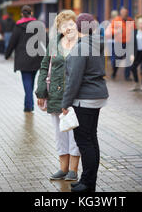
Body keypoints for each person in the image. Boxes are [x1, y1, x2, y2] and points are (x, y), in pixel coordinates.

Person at [61, 13, 109, 192]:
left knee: (84, 141)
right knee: (91, 139)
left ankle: (88, 183)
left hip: (85, 99)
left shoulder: (81, 48)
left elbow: (74, 79)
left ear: (79, 28)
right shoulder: (96, 44)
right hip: (96, 97)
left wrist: (65, 103)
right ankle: (88, 180)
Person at [35, 10, 81, 182]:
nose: (68, 27)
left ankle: (73, 170)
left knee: (74, 133)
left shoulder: (81, 44)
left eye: (71, 23)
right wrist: (41, 91)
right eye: (64, 25)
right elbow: (44, 66)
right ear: (60, 29)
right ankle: (62, 168)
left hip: (75, 95)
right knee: (59, 132)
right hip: (55, 94)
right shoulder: (54, 43)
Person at [5, 5, 45, 113]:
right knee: (31, 82)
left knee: (27, 82)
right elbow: (45, 40)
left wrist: (7, 54)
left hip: (23, 59)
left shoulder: (18, 26)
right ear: (31, 13)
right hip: (36, 58)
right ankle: (28, 104)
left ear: (22, 14)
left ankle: (29, 106)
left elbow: (12, 42)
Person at [105, 7, 135, 80]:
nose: (124, 14)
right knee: (116, 60)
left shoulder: (130, 20)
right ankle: (114, 73)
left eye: (126, 12)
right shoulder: (116, 20)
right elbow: (109, 31)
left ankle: (127, 76)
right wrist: (117, 31)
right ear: (120, 13)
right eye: (123, 12)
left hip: (128, 43)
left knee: (128, 60)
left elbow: (134, 30)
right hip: (118, 43)